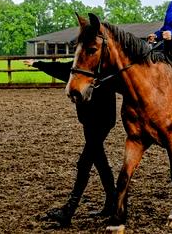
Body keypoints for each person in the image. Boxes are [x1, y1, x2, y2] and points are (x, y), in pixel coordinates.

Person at [23, 59, 117, 227]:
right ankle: (113, 202)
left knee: (84, 163)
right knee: (99, 161)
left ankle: (68, 211)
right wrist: (37, 63)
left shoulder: (105, 65)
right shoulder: (81, 62)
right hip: (88, 121)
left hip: (102, 121)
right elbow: (61, 68)